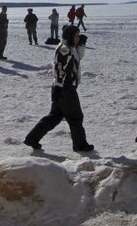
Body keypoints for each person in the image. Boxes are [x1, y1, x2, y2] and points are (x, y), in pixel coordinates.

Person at [23, 25, 94, 153]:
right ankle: (80, 145)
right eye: (76, 36)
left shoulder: (70, 47)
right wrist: (63, 88)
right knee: (76, 117)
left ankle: (32, 138)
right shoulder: (64, 50)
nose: (78, 38)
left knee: (54, 117)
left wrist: (81, 45)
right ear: (69, 36)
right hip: (65, 89)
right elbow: (60, 70)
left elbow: (78, 57)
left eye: (79, 36)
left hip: (61, 88)